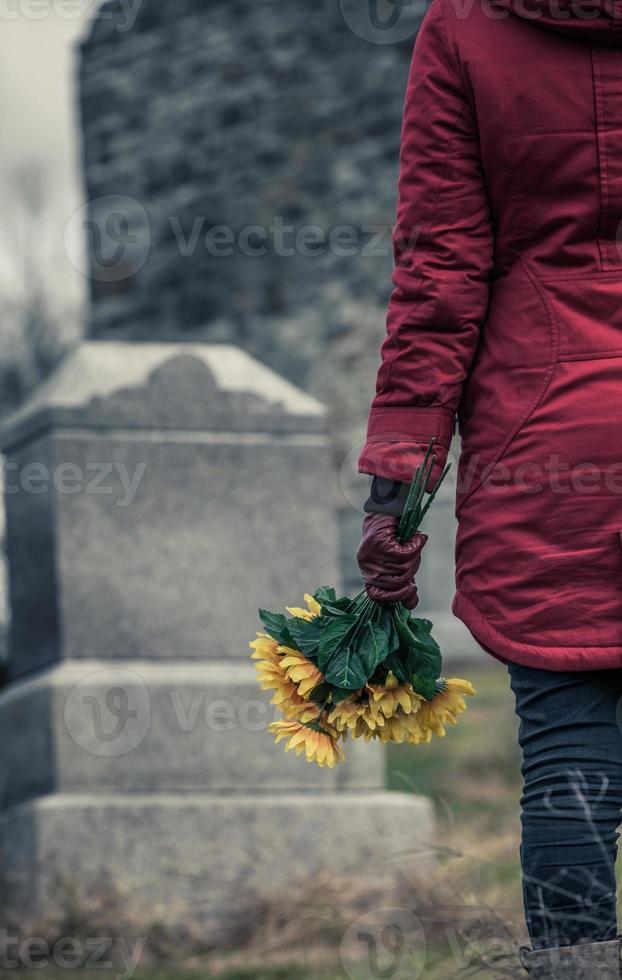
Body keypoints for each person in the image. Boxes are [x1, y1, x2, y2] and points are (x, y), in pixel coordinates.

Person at [356, 0, 622, 976]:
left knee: (570, 764)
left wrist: (397, 477)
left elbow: (441, 271)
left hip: (545, 440)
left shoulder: (464, 25)